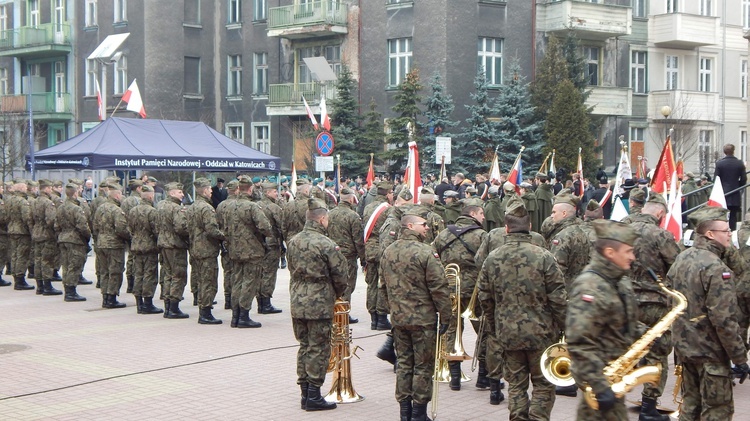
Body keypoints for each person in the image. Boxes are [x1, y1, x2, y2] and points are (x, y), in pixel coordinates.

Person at [478, 199, 567, 420]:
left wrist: (494, 326)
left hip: (507, 332)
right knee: (543, 384)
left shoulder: (492, 258)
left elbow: (484, 298)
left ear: (506, 228)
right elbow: (558, 298)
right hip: (542, 332)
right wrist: (565, 328)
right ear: (529, 228)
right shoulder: (544, 256)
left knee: (516, 384)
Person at [667, 207, 750, 419]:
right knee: (717, 411)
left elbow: (672, 303)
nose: (730, 234)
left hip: (686, 348)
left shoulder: (682, 258)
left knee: (690, 408)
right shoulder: (715, 266)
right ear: (710, 234)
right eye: (725, 230)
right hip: (711, 352)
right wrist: (739, 357)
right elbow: (723, 319)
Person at [380, 209, 452, 421]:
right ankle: (419, 413)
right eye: (423, 224)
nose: (427, 227)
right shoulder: (425, 252)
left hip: (400, 318)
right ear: (410, 226)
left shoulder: (389, 251)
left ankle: (405, 412)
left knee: (403, 363)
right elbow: (439, 287)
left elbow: (382, 286)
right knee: (422, 366)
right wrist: (446, 316)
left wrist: (393, 308)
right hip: (423, 320)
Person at [566, 219, 640, 420]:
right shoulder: (590, 286)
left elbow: (621, 320)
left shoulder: (618, 280)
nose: (633, 257)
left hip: (612, 379)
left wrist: (648, 334)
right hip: (599, 382)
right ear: (610, 252)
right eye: (628, 251)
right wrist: (599, 386)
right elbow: (579, 343)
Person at [287, 198, 348, 412]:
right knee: (319, 348)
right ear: (321, 219)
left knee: (304, 346)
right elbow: (340, 276)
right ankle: (313, 394)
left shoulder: (293, 241)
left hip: (297, 299)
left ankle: (305, 393)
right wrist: (337, 294)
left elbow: (291, 268)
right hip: (319, 301)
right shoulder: (326, 244)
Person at [627, 193, 680, 421]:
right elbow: (677, 267)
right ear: (660, 214)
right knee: (657, 354)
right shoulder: (661, 235)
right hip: (654, 304)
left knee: (618, 353)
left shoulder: (620, 230)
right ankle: (649, 407)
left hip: (621, 302)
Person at [433, 203, 487, 392]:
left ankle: (454, 377)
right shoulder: (481, 235)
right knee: (484, 333)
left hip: (450, 290)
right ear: (472, 214)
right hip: (475, 292)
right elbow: (486, 263)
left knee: (452, 332)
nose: (483, 218)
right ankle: (484, 376)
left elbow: (434, 257)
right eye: (481, 213)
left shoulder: (444, 234)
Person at [224, 176, 273, 328]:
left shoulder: (229, 206)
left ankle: (235, 316)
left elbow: (225, 228)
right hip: (252, 250)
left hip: (234, 250)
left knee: (237, 281)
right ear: (250, 189)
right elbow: (265, 227)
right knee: (250, 282)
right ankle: (244, 315)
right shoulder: (252, 207)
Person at [186, 178, 225, 324]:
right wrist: (225, 237)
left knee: (201, 280)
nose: (211, 191)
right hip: (207, 249)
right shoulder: (206, 208)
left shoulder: (193, 207)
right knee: (209, 282)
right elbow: (212, 230)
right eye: (209, 189)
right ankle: (205, 313)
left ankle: (203, 309)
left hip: (196, 247)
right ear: (204, 190)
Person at [326, 187, 365, 323]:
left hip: (331, 254)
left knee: (333, 283)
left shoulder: (329, 214)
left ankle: (333, 311)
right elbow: (358, 240)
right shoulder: (352, 216)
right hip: (348, 256)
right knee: (347, 285)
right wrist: (363, 258)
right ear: (350, 199)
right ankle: (342, 314)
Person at [92, 182, 131, 309]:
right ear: (117, 195)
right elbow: (121, 229)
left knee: (104, 272)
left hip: (101, 243)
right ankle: (112, 298)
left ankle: (105, 297)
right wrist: (129, 238)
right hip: (114, 245)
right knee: (115, 271)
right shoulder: (117, 210)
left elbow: (95, 226)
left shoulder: (101, 208)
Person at [362, 181, 394, 330]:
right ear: (387, 194)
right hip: (382, 248)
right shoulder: (388, 209)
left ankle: (373, 318)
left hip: (369, 249)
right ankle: (381, 318)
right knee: (382, 284)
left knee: (371, 284)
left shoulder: (368, 207)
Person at [157, 182, 190, 319]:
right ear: (171, 193)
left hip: (164, 244)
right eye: (179, 192)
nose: (182, 194)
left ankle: (167, 306)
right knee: (178, 275)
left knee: (168, 274)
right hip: (175, 245)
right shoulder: (176, 208)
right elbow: (181, 227)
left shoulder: (160, 205)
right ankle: (174, 307)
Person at [127, 184, 162, 314]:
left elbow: (129, 228)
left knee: (138, 274)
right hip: (149, 247)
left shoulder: (133, 211)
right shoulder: (152, 211)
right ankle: (148, 303)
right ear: (151, 196)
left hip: (136, 245)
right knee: (149, 275)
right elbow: (156, 230)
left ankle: (139, 303)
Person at [55, 183, 90, 302]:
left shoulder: (60, 207)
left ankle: (67, 289)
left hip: (63, 238)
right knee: (74, 265)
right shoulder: (77, 208)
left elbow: (56, 225)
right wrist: (87, 237)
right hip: (75, 240)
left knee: (66, 265)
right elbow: (83, 226)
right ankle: (71, 291)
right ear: (75, 193)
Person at [256, 181, 284, 314]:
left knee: (260, 272)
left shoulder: (256, 205)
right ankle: (266, 303)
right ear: (267, 193)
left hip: (259, 244)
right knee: (269, 273)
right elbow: (282, 225)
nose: (276, 193)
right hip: (272, 244)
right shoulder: (273, 207)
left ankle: (260, 302)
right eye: (274, 191)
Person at [31, 179, 61, 296]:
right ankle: (47, 286)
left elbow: (30, 217)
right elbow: (51, 220)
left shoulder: (34, 201)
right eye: (50, 188)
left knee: (37, 260)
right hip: (46, 234)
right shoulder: (48, 203)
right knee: (47, 260)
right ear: (47, 188)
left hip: (37, 232)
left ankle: (40, 286)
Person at [7, 179, 34, 291]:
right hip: (22, 232)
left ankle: (15, 276)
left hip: (12, 230)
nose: (26, 188)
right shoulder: (22, 201)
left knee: (14, 255)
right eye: (24, 187)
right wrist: (32, 231)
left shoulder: (9, 200)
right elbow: (27, 218)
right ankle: (20, 279)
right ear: (21, 188)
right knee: (22, 255)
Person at [216, 179, 239, 309]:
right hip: (237, 243)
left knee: (227, 272)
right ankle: (235, 299)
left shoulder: (221, 205)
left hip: (225, 243)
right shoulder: (238, 204)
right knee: (237, 273)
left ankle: (227, 299)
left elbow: (217, 224)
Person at [714, 143, 747, 230]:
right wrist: (738, 186)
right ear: (733, 151)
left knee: (722, 216)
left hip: (723, 194)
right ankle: (732, 233)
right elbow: (744, 179)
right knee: (733, 216)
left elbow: (716, 180)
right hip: (735, 193)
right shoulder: (739, 163)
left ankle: (723, 232)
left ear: (724, 152)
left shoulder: (719, 164)